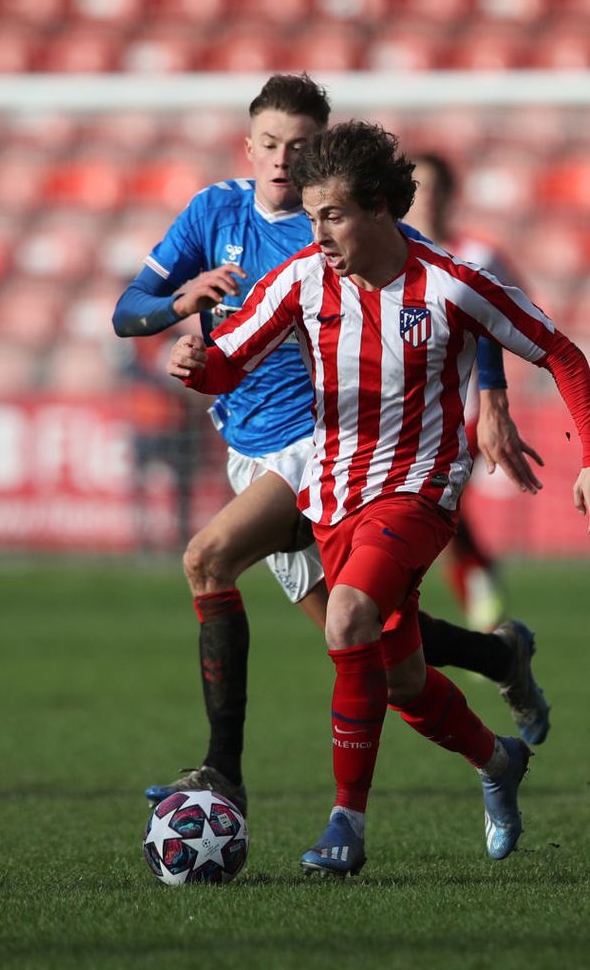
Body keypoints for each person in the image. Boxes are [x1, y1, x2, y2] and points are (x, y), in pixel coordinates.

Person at [113, 75, 549, 820]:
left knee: (207, 558)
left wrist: (494, 397)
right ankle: (499, 663)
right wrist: (179, 305)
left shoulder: (342, 223)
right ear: (246, 146)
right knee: (380, 654)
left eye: (302, 146)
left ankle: (225, 772)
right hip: (248, 451)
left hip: (323, 447)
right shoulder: (213, 212)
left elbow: (463, 298)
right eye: (272, 144)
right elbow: (128, 313)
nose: (284, 159)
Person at [404, 152, 543, 630]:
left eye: (436, 189)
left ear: (450, 195)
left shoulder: (479, 256)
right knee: (433, 511)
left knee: (434, 501)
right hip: (406, 410)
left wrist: (498, 395)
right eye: (417, 189)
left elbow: (521, 319)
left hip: (467, 407)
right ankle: (479, 585)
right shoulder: (392, 258)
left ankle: (479, 601)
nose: (427, 201)